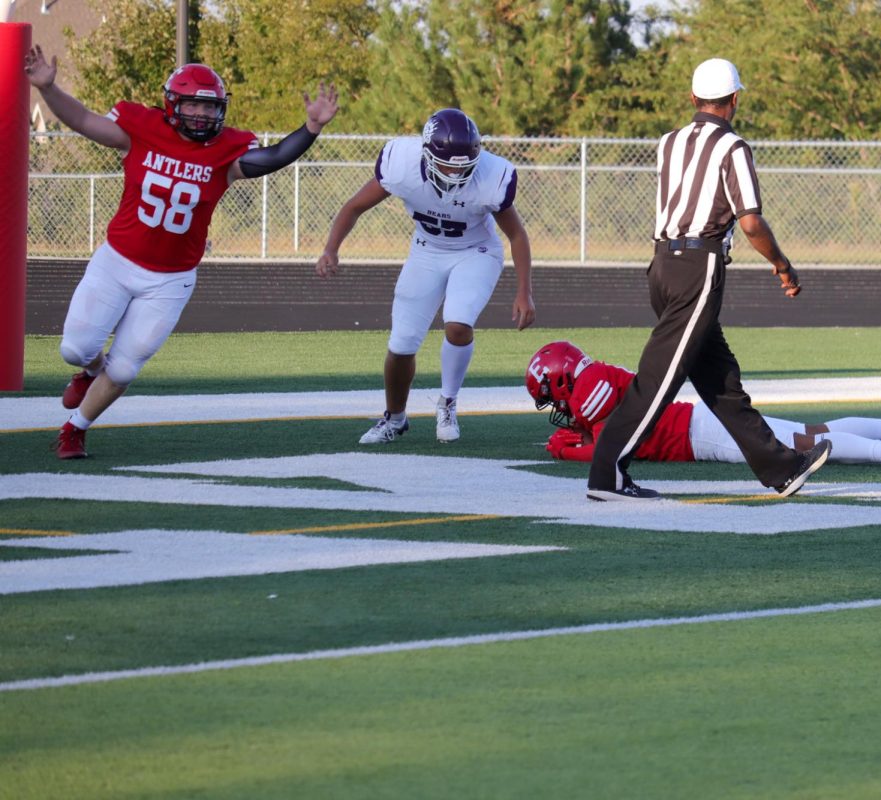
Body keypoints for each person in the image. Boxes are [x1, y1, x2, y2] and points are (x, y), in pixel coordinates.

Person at [24, 45, 339, 460]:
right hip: (117, 260)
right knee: (75, 349)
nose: (204, 116)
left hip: (170, 278)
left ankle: (74, 429)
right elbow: (82, 120)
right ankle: (89, 370)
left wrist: (310, 129)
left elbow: (275, 157)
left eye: (211, 108)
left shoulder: (225, 151)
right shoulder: (142, 127)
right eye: (194, 105)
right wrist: (49, 89)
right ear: (173, 104)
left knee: (125, 369)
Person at [586, 57, 831, 502]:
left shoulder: (668, 142)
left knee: (719, 379)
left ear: (693, 98)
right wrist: (782, 265)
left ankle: (780, 467)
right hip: (698, 269)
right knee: (658, 379)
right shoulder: (733, 146)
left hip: (661, 265)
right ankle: (607, 474)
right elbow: (751, 222)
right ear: (735, 98)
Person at [316, 108, 535, 445]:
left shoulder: (491, 176)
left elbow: (516, 235)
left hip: (475, 251)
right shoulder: (403, 166)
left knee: (458, 323)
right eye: (449, 164)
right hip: (426, 250)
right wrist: (331, 248)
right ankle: (395, 417)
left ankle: (447, 402)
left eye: (465, 165)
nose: (457, 172)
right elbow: (353, 207)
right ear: (428, 155)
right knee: (401, 344)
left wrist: (524, 291)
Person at [528, 341, 881, 467]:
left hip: (701, 436)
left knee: (799, 446)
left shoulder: (590, 391)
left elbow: (611, 449)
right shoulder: (595, 380)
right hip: (699, 422)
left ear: (564, 380)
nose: (558, 409)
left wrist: (565, 449)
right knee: (809, 434)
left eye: (553, 397)